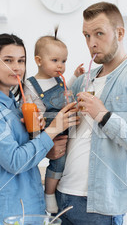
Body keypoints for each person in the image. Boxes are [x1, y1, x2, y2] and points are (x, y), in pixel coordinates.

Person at [56, 2, 127, 225]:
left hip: (101, 207)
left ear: (120, 33)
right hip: (63, 197)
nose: (91, 43)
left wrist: (104, 116)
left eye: (99, 34)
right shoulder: (83, 80)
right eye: (86, 35)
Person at [0, 33, 79, 225]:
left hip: (28, 214)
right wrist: (53, 130)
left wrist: (44, 144)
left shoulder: (15, 105)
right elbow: (15, 161)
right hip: (5, 219)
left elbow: (24, 155)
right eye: (8, 60)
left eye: (21, 61)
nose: (17, 68)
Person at [24, 28, 85, 213]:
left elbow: (69, 87)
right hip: (48, 129)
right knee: (58, 161)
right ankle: (49, 193)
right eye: (55, 60)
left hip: (65, 126)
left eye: (64, 61)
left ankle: (58, 188)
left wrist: (75, 75)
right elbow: (30, 108)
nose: (60, 66)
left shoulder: (59, 80)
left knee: (69, 159)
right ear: (38, 61)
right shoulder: (30, 84)